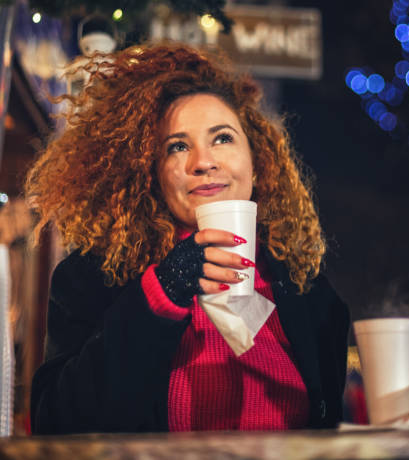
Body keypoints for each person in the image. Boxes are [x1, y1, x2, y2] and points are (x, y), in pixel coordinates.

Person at [27, 42, 349, 434]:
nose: (203, 162)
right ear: (151, 172)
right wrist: (164, 292)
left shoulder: (309, 293)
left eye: (223, 138)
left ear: (256, 160)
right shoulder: (91, 280)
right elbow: (55, 424)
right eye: (177, 146)